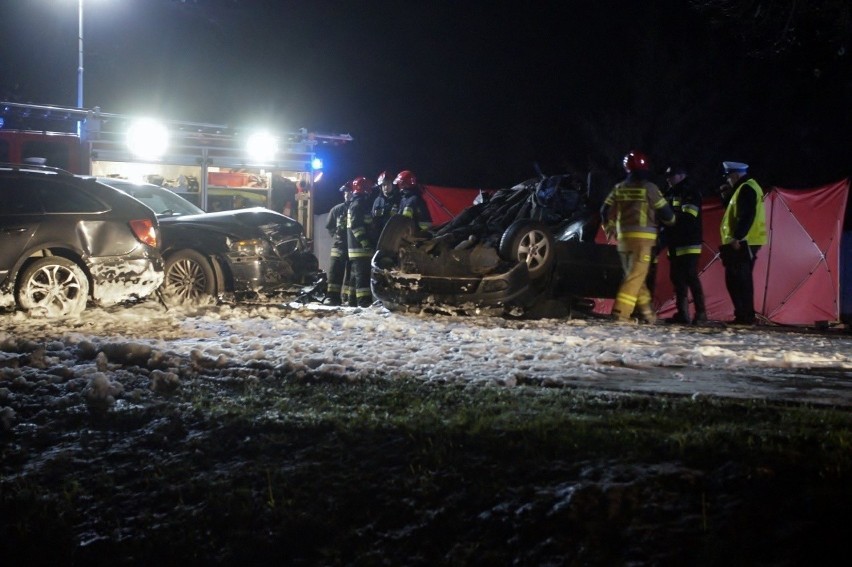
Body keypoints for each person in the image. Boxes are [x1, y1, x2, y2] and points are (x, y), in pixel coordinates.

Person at [601, 150, 676, 323]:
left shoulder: (619, 188)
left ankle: (648, 314)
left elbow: (604, 210)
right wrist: (671, 220)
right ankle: (621, 313)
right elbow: (667, 214)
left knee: (636, 277)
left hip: (623, 242)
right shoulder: (649, 188)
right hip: (643, 242)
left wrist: (609, 228)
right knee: (635, 277)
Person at [719, 161, 767, 325]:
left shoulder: (746, 188)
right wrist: (726, 196)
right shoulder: (745, 187)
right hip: (745, 240)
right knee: (737, 279)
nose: (727, 180)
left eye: (729, 176)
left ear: (736, 175)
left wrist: (737, 237)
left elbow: (747, 215)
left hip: (744, 241)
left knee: (739, 279)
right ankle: (743, 315)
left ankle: (745, 316)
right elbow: (735, 211)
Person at [663, 164, 707, 324]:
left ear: (681, 175)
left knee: (690, 277)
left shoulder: (690, 192)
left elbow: (689, 216)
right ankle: (682, 314)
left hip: (689, 242)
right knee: (677, 279)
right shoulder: (670, 193)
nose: (668, 179)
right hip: (674, 242)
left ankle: (701, 314)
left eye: (671, 176)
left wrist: (668, 220)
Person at [346, 176, 376, 307]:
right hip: (360, 249)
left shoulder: (355, 203)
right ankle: (364, 303)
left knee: (355, 277)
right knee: (362, 278)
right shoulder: (359, 205)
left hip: (355, 249)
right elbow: (356, 226)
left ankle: (352, 301)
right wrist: (366, 242)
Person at [325, 182, 351, 306]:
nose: (347, 194)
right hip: (339, 246)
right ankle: (332, 298)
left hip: (353, 247)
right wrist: (337, 237)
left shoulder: (357, 207)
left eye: (350, 192)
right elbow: (329, 226)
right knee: (335, 272)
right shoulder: (337, 209)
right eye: (346, 192)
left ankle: (348, 297)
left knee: (352, 274)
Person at [371, 170, 401, 240]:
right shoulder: (377, 201)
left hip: (395, 236)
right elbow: (373, 219)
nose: (386, 187)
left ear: (393, 185)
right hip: (379, 236)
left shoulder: (399, 199)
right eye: (384, 185)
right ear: (380, 187)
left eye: (388, 184)